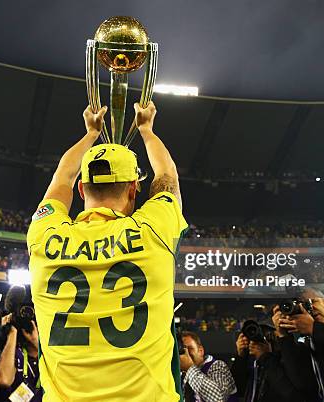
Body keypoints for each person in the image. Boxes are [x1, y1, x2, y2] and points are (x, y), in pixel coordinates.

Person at [27, 101, 188, 401]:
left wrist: (89, 135)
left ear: (81, 189)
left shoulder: (44, 236)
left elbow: (60, 179)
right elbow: (167, 177)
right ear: (132, 188)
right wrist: (147, 131)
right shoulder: (153, 230)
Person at [231, 322, 304, 402]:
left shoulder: (287, 359)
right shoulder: (254, 363)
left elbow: (289, 393)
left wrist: (265, 357)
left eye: (269, 336)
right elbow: (237, 389)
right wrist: (241, 357)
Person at [0, 314, 41, 401]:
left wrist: (38, 344)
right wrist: (12, 331)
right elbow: (4, 380)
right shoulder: (13, 353)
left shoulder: (49, 358)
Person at [180, 330, 235, 401]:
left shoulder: (218, 366)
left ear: (201, 351)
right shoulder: (180, 374)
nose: (186, 353)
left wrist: (190, 368)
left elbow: (218, 398)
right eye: (182, 351)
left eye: (190, 348)